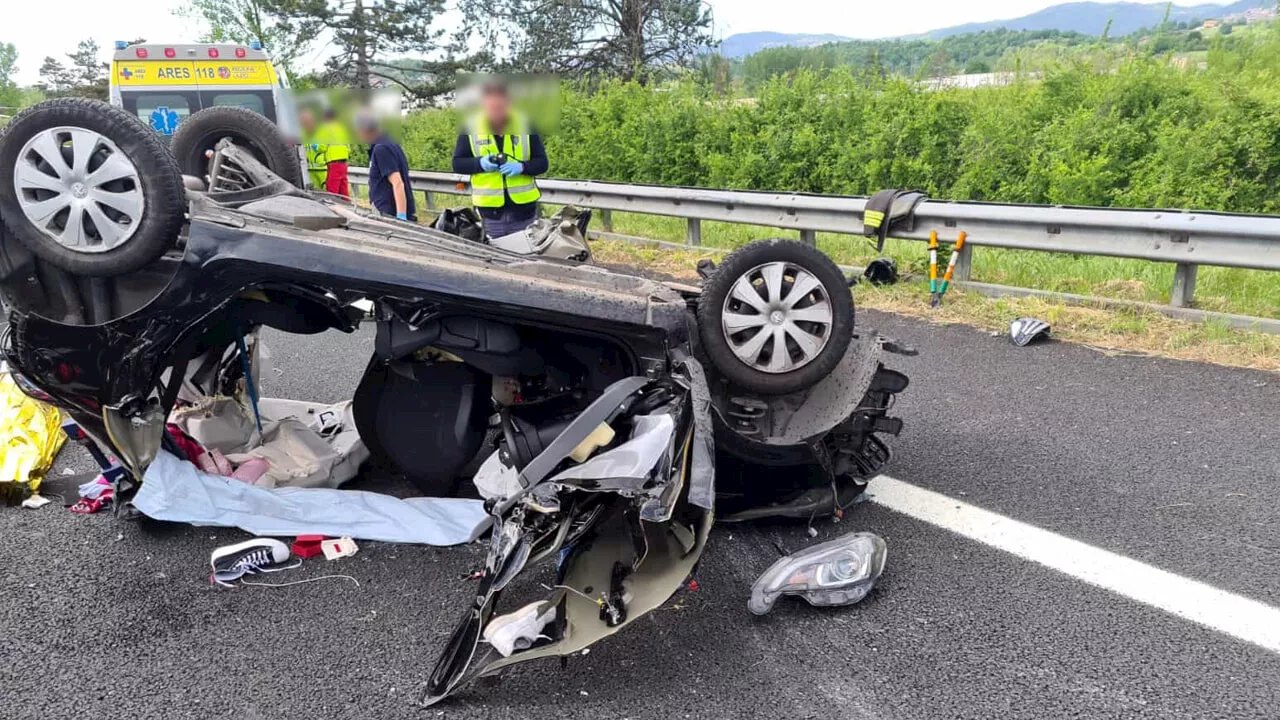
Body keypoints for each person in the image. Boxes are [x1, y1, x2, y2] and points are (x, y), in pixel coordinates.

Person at [452, 79, 548, 238]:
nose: (496, 112)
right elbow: (457, 163)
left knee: (526, 258)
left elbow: (542, 163)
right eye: (492, 108)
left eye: (500, 107)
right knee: (496, 257)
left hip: (524, 212)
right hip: (491, 214)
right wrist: (480, 164)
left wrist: (522, 167)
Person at [356, 113, 415, 222]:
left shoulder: (381, 148)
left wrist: (401, 217)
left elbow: (398, 183)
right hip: (391, 210)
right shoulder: (391, 143)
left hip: (389, 214)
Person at [300, 108, 352, 197]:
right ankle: (348, 206)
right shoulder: (342, 130)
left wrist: (315, 146)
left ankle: (334, 209)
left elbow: (322, 146)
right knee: (343, 189)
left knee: (332, 190)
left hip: (334, 162)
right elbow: (348, 148)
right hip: (344, 163)